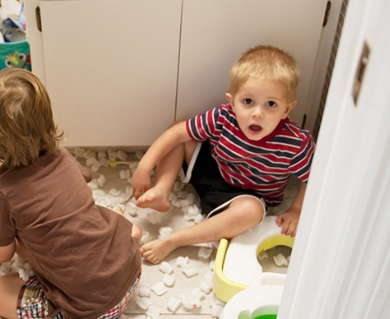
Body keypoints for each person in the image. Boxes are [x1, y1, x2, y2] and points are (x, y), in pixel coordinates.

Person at [0, 68, 142, 319]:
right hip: (130, 272)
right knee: (90, 217)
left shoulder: (0, 192)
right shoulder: (62, 156)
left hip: (90, 312)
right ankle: (127, 233)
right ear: (46, 119)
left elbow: (4, 255)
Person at [131, 45, 315, 264]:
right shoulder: (223, 117)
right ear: (232, 101)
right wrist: (145, 166)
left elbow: (312, 177)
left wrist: (296, 209)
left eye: (271, 104)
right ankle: (162, 189)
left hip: (245, 197)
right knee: (180, 128)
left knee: (251, 211)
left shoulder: (295, 142)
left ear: (287, 109)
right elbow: (177, 134)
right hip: (216, 170)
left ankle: (177, 240)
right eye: (248, 102)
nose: (257, 113)